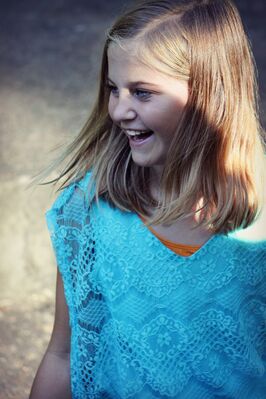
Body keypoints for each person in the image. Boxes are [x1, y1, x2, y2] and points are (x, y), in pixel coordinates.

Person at [29, 0, 266, 398]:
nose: (120, 110)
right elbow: (62, 353)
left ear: (210, 96)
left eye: (142, 92)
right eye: (113, 89)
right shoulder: (89, 210)